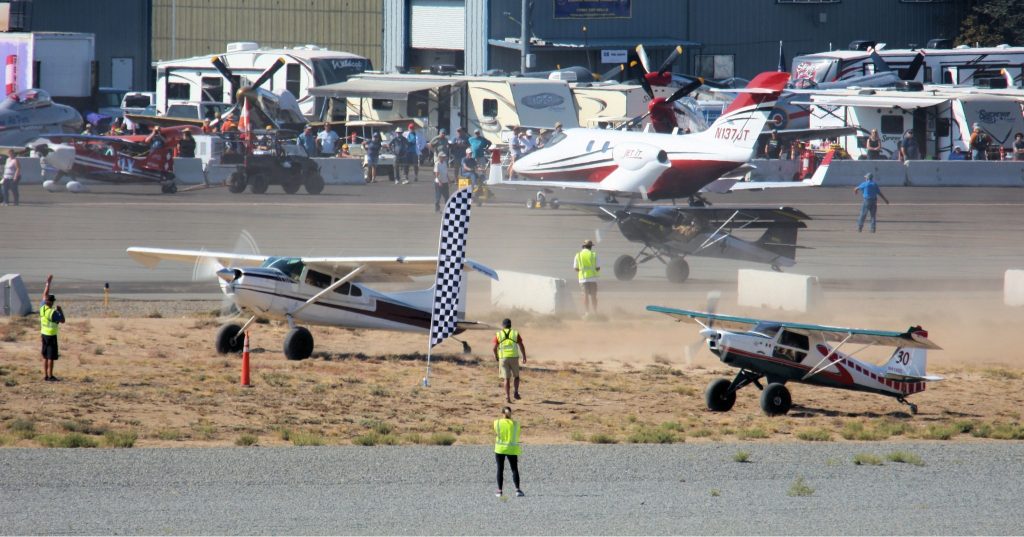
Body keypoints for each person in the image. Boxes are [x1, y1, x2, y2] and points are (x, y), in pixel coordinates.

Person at [493, 318, 526, 404]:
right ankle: (516, 392)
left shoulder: (499, 334)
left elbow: (494, 348)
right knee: (516, 376)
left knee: (506, 378)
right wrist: (524, 356)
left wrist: (496, 356)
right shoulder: (515, 333)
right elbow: (521, 345)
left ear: (503, 325)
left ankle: (507, 396)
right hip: (514, 357)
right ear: (510, 325)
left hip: (503, 358)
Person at [493, 406, 524, 498]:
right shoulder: (516, 424)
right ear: (511, 413)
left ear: (502, 413)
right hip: (512, 449)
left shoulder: (497, 422)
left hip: (500, 448)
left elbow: (496, 432)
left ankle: (499, 491)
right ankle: (517, 490)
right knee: (514, 469)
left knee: (500, 469)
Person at [39, 274, 66, 382]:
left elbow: (44, 294)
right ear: (51, 302)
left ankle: (45, 375)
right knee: (51, 357)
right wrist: (60, 310)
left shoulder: (43, 308)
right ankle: (50, 376)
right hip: (51, 336)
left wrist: (48, 283)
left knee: (45, 356)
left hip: (43, 334)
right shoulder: (53, 313)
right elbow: (63, 320)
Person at [574, 239, 600, 316]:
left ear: (584, 246)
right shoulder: (594, 254)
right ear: (591, 247)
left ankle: (587, 312)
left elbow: (575, 268)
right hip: (593, 278)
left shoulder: (578, 255)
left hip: (582, 279)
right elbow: (598, 268)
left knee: (585, 295)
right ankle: (595, 312)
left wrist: (582, 271)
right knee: (593, 296)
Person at [432, 139, 450, 213]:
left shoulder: (445, 163)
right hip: (439, 182)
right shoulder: (437, 164)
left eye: (444, 157)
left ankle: (447, 208)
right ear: (439, 157)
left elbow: (446, 172)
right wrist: (439, 181)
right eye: (442, 157)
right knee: (438, 196)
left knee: (447, 196)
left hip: (445, 181)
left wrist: (448, 179)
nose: (443, 158)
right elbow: (436, 174)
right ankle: (437, 209)